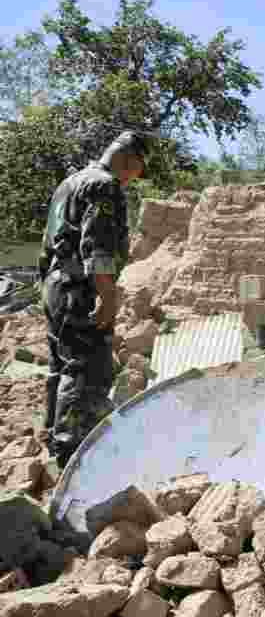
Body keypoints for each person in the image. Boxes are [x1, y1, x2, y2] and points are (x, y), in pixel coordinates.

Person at [39, 130, 148, 467]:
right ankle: (73, 456)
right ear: (128, 161)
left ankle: (54, 437)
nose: (131, 180)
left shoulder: (69, 183)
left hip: (56, 287)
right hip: (80, 290)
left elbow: (50, 243)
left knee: (63, 363)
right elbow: (98, 245)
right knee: (88, 368)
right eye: (135, 172)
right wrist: (107, 293)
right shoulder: (104, 185)